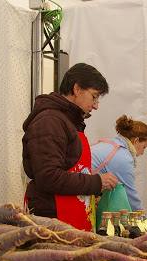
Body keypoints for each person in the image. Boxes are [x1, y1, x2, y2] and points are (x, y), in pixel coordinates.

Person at [22, 63, 119, 230]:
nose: (96, 105)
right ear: (77, 89)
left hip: (70, 216)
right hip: (52, 219)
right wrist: (96, 182)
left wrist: (94, 184)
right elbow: (49, 176)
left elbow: (69, 168)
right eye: (94, 96)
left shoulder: (68, 121)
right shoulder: (49, 122)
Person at [90, 115, 147, 211]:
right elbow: (129, 194)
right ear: (136, 141)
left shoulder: (111, 144)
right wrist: (142, 219)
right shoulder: (123, 157)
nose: (143, 152)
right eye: (144, 147)